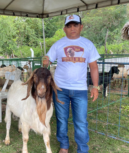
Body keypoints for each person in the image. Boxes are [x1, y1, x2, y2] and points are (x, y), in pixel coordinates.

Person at [43, 14, 100, 153]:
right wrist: (45, 61)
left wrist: (95, 86)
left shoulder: (88, 44)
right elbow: (47, 60)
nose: (72, 28)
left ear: (81, 27)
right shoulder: (58, 44)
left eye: (75, 25)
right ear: (64, 29)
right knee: (61, 119)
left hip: (80, 90)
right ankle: (64, 146)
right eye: (69, 26)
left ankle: (82, 148)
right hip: (60, 89)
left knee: (80, 121)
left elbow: (93, 67)